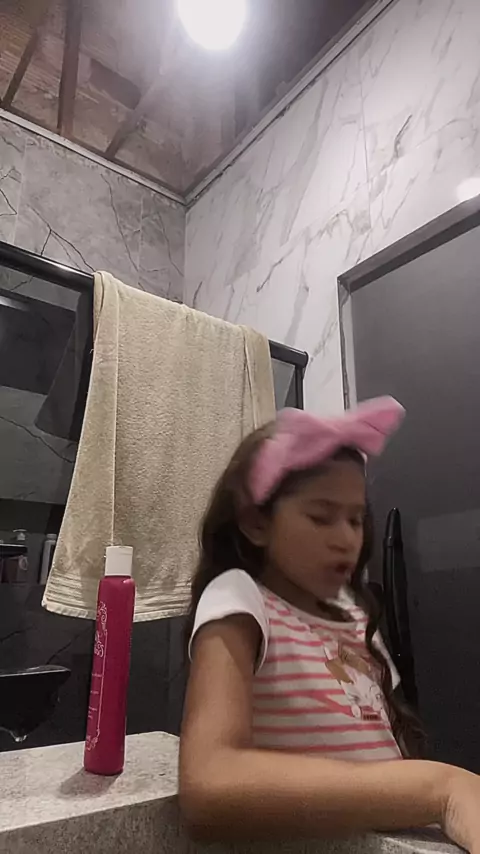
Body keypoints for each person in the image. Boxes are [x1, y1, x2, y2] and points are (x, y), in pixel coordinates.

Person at [179, 398, 480, 849]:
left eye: (356, 519)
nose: (346, 539)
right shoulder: (240, 597)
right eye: (321, 517)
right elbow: (210, 783)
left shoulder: (355, 615)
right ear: (256, 523)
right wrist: (438, 790)